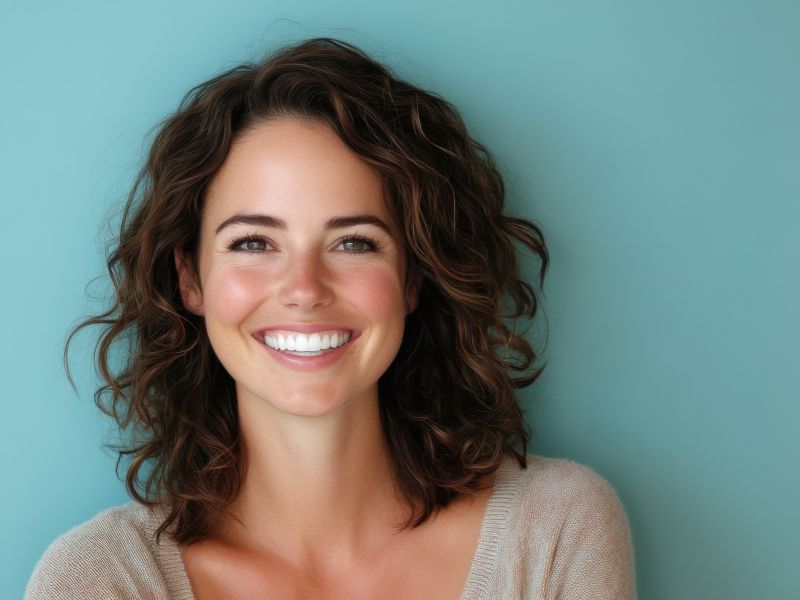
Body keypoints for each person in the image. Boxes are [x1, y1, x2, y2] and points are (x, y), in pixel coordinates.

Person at [26, 38, 635, 599]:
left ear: (413, 278)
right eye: (253, 243)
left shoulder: (555, 528)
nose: (304, 289)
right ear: (190, 280)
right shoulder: (98, 578)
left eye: (354, 243)